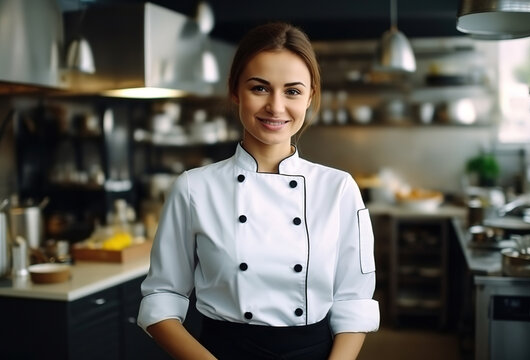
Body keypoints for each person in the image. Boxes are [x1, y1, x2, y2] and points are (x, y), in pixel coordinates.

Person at [137, 22, 379, 360]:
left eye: (292, 91)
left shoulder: (338, 189)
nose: (276, 107)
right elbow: (161, 299)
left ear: (310, 97)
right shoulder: (194, 187)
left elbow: (354, 301)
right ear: (235, 91)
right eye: (260, 88)